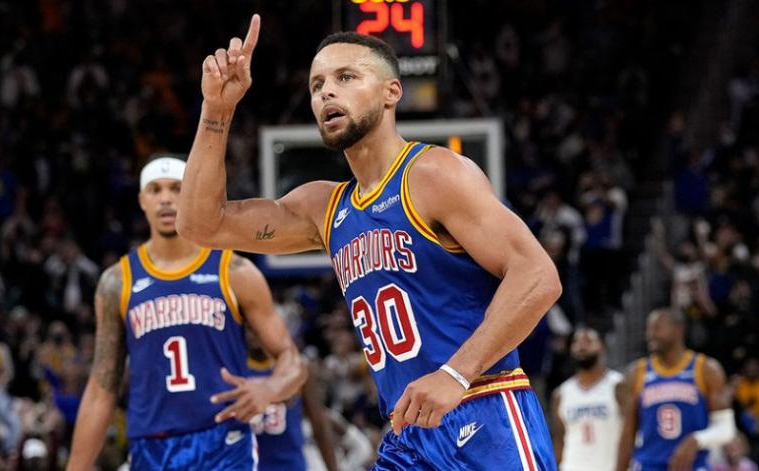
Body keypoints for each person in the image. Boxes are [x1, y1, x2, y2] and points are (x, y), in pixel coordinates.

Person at [177, 15, 563, 469]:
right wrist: (217, 110)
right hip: (406, 432)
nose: (326, 92)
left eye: (345, 77)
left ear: (390, 92)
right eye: (317, 84)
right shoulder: (324, 208)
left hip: (482, 407)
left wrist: (455, 374)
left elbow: (538, 275)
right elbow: (202, 225)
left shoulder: (433, 174)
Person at [67, 157, 306, 470]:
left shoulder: (234, 271)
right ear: (142, 200)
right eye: (155, 189)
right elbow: (102, 388)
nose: (166, 199)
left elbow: (292, 359)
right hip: (152, 446)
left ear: (193, 194)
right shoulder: (117, 282)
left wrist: (271, 388)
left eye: (176, 189)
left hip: (224, 442)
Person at [616, 308, 736, 471]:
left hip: (692, 465)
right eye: (648, 329)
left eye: (657, 328)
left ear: (678, 329)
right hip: (649, 464)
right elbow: (628, 434)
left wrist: (696, 440)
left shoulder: (706, 369)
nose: (650, 334)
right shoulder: (636, 373)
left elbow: (726, 429)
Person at [244, 329, 338, 471]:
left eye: (256, 326)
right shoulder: (231, 370)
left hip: (290, 465)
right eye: (249, 328)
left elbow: (319, 425)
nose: (253, 333)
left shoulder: (297, 367)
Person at [551, 327, 625, 471]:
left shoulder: (618, 385)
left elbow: (631, 434)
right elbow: (559, 441)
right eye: (576, 342)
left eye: (588, 341)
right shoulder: (561, 393)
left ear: (603, 348)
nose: (581, 346)